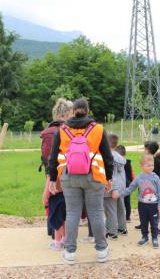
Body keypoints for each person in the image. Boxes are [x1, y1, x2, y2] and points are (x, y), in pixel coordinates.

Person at [48, 98, 114, 265]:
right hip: (94, 177)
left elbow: (53, 157)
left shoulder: (62, 130)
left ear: (73, 111)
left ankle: (70, 252)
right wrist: (109, 178)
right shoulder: (98, 129)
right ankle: (102, 251)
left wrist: (53, 179)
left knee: (72, 213)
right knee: (96, 213)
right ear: (87, 110)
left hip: (69, 177)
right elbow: (108, 157)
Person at [40, 98, 73, 238]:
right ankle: (62, 238)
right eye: (71, 113)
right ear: (64, 114)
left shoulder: (49, 131)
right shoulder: (66, 131)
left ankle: (53, 233)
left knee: (53, 203)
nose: (73, 116)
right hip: (63, 174)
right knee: (63, 206)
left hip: (51, 173)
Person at [121, 154, 160, 248]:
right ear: (142, 166)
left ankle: (155, 238)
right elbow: (131, 188)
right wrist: (121, 194)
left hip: (153, 205)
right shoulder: (139, 178)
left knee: (154, 223)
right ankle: (144, 237)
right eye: (148, 165)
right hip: (142, 205)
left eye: (152, 165)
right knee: (143, 223)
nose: (151, 167)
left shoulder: (155, 177)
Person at [104, 134, 127, 240]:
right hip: (122, 187)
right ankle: (122, 228)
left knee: (110, 210)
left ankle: (112, 232)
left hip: (112, 188)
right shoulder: (120, 157)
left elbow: (113, 175)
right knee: (120, 208)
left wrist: (114, 189)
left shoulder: (109, 157)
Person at [116, 145, 134, 222]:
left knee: (119, 201)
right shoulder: (128, 162)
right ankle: (127, 217)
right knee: (127, 201)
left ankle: (119, 217)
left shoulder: (116, 162)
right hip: (128, 184)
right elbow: (132, 174)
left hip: (119, 184)